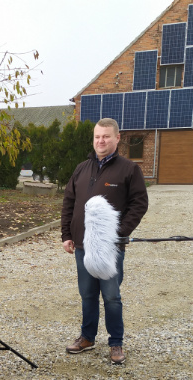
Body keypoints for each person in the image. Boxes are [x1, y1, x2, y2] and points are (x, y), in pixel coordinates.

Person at [60, 118, 149, 364]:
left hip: (110, 247)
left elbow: (139, 204)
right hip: (82, 245)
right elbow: (69, 202)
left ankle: (116, 343)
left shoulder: (129, 169)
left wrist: (117, 232)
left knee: (111, 296)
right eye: (97, 137)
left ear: (117, 138)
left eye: (106, 136)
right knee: (87, 294)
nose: (101, 141)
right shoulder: (81, 168)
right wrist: (66, 235)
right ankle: (87, 337)